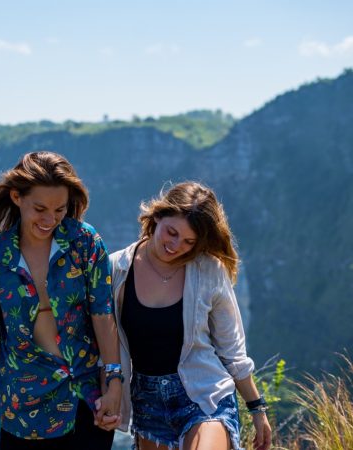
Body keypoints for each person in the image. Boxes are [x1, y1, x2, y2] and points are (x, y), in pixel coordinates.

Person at [0, 151, 123, 449]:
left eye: (59, 209)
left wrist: (114, 381)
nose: (50, 219)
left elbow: (102, 312)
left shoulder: (85, 242)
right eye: (40, 208)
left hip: (86, 397)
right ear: (17, 197)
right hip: (25, 406)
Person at [110, 181, 272, 450]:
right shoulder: (117, 268)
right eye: (171, 232)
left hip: (205, 394)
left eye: (189, 242)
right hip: (147, 403)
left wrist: (257, 408)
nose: (176, 246)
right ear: (157, 216)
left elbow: (231, 350)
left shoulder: (208, 269)